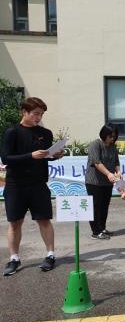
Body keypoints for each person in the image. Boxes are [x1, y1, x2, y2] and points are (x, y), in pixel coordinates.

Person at [1, 97, 64, 276]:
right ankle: (14, 258)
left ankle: (50, 255)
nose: (38, 117)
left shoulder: (45, 133)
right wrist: (31, 155)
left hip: (38, 184)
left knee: (44, 220)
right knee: (15, 223)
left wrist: (55, 155)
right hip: (15, 185)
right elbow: (6, 158)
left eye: (41, 114)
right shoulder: (12, 132)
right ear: (24, 112)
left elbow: (45, 156)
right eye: (35, 113)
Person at [85, 125, 122, 239]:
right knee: (95, 206)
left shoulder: (113, 146)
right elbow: (97, 162)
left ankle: (102, 228)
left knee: (104, 206)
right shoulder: (95, 145)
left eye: (114, 137)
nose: (112, 139)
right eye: (110, 136)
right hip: (94, 182)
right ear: (104, 135)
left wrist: (118, 172)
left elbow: (116, 161)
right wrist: (109, 174)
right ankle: (95, 231)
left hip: (107, 182)